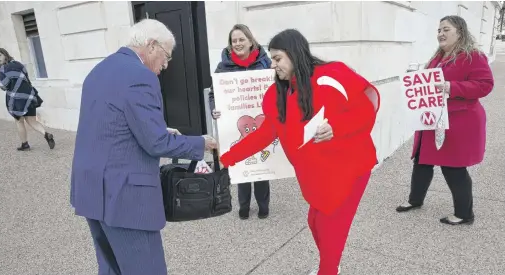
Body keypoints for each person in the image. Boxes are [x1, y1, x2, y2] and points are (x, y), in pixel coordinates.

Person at [219, 29, 380, 275]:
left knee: (330, 229)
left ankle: (329, 269)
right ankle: (330, 265)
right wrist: (226, 158)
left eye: (277, 58)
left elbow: (367, 106)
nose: (273, 65)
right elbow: (263, 135)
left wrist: (337, 127)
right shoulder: (276, 94)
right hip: (316, 174)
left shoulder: (331, 75)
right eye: (272, 59)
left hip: (350, 168)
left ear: (294, 55)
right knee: (314, 222)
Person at [70, 19, 218, 275]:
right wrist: (202, 143)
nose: (165, 65)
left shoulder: (99, 69)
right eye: (166, 56)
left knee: (110, 267)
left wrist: (160, 129)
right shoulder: (141, 77)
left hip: (90, 189)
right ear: (152, 46)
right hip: (124, 197)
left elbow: (111, 125)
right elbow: (156, 142)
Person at [396, 15, 494, 225]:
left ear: (460, 31)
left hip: (459, 121)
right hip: (432, 119)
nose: (440, 33)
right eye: (439, 30)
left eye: (446, 29)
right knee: (422, 160)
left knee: (453, 166)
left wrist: (452, 87)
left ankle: (464, 214)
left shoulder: (473, 56)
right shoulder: (437, 57)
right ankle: (415, 200)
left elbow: (485, 85)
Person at [208, 24, 272, 220]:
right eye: (234, 41)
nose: (237, 44)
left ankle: (263, 205)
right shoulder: (222, 67)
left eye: (241, 39)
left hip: (262, 123)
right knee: (241, 164)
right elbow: (213, 95)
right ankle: (243, 206)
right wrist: (214, 109)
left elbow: (276, 87)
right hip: (236, 125)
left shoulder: (265, 64)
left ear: (250, 41)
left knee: (263, 165)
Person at [0, 48, 55, 151]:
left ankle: (25, 144)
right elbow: (26, 78)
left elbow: (5, 85)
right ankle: (46, 134)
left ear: (5, 54)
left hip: (17, 99)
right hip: (29, 96)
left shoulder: (3, 69)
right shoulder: (19, 64)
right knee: (32, 120)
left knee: (19, 121)